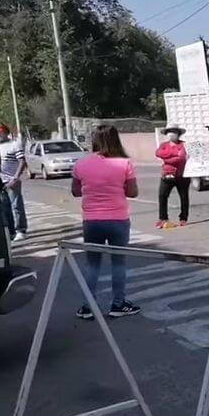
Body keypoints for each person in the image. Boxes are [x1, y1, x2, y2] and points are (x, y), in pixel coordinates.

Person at [71, 125, 141, 319]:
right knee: (119, 263)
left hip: (92, 221)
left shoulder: (81, 164)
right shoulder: (124, 163)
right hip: (118, 219)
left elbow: (76, 191)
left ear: (94, 140)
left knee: (92, 264)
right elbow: (133, 192)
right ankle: (118, 304)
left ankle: (87, 306)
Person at [0, 124, 28, 241]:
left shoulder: (14, 144)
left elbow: (22, 161)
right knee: (4, 207)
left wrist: (16, 177)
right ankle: (11, 231)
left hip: (12, 180)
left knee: (16, 205)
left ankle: (21, 230)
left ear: (5, 133)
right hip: (0, 181)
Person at [155, 123, 190, 229]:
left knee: (183, 197)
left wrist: (168, 157)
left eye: (174, 132)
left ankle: (183, 218)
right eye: (169, 132)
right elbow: (158, 153)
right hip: (167, 174)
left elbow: (181, 158)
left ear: (178, 134)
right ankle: (163, 218)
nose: (171, 134)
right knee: (162, 195)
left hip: (182, 175)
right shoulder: (163, 145)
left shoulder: (184, 145)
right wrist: (174, 154)